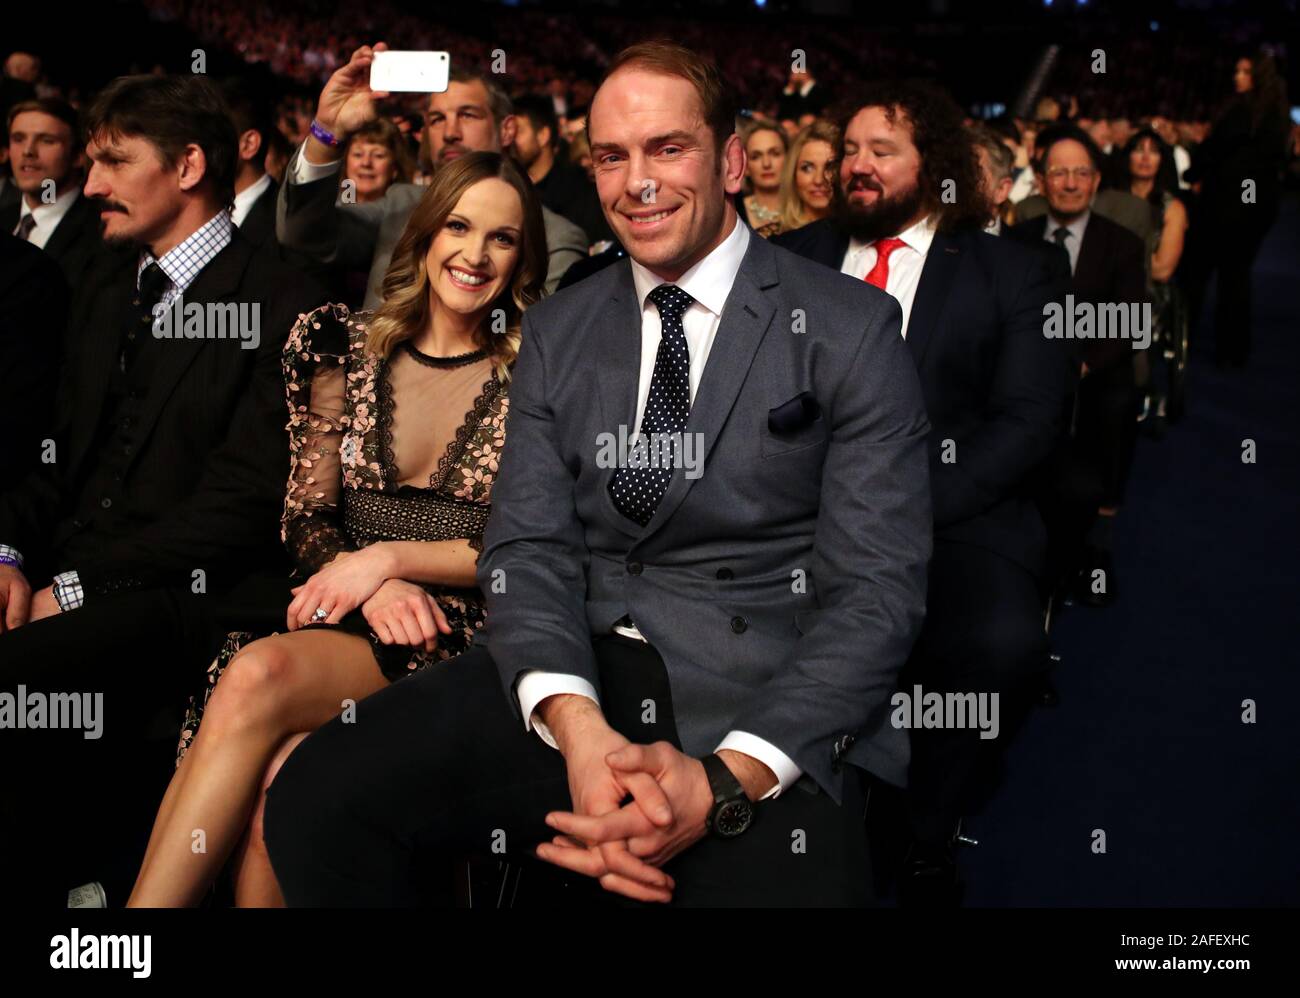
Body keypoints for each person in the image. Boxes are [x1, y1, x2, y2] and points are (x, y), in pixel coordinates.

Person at [263, 40, 932, 908]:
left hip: (763, 692)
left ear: (730, 161)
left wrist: (723, 783)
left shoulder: (852, 327)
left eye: (667, 149)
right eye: (612, 156)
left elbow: (877, 594)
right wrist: (576, 730)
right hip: (576, 662)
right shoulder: (559, 330)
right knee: (319, 797)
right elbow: (528, 546)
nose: (636, 182)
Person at [127, 151, 545, 907]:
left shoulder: (540, 374)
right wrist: (365, 577)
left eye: (503, 238)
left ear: (523, 259)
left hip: (464, 631)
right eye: (458, 225)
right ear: (424, 233)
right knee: (277, 780)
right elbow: (307, 515)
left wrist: (387, 560)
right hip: (348, 608)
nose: (476, 255)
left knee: (257, 674)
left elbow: (530, 546)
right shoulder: (342, 347)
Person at [0, 74, 322, 908]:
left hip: (192, 597)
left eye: (113, 161)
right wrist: (7, 553)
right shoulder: (104, 284)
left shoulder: (285, 294)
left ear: (186, 167)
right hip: (68, 577)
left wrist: (78, 585)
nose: (90, 183)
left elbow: (244, 502)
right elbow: (53, 458)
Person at [775, 81, 1069, 905]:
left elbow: (1029, 421)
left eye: (883, 151)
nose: (858, 167)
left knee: (1000, 644)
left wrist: (904, 513)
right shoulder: (793, 257)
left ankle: (928, 830)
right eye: (851, 151)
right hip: (803, 512)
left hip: (956, 515)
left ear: (932, 165)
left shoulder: (1014, 271)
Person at [276, 45, 587, 303]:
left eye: (467, 115)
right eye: (437, 118)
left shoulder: (554, 238)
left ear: (506, 130)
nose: (450, 132)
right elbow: (302, 233)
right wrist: (327, 133)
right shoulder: (399, 204)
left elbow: (538, 356)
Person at [1008, 124, 1147, 609]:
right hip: (1022, 370)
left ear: (1095, 181)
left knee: (1117, 400)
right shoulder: (1016, 238)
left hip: (1093, 370)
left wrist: (1081, 365)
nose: (1069, 183)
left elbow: (1131, 324)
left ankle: (1095, 540)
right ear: (1042, 181)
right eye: (1059, 173)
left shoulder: (1122, 243)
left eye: (1080, 173)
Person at [1182, 51, 1290, 366]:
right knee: (1235, 275)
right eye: (1236, 70)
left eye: (1244, 71)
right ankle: (1232, 349)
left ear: (1259, 75)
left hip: (1230, 203)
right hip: (1255, 204)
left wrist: (1192, 174)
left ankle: (1181, 335)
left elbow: (1214, 150)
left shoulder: (1244, 112)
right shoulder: (1276, 114)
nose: (1236, 76)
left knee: (1198, 271)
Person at [1122, 126, 1190, 431]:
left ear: (1163, 159)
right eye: (1139, 149)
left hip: (1149, 290)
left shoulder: (1171, 207)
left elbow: (1162, 268)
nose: (1145, 157)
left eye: (1154, 150)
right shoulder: (1109, 198)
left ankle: (1142, 388)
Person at [2, 98, 104, 289]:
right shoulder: (3, 218)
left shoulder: (102, 230)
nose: (28, 151)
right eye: (18, 139)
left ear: (78, 156)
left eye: (47, 140)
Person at [512, 92, 611, 245]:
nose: (510, 139)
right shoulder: (511, 188)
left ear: (543, 135)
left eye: (518, 131)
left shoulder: (581, 188)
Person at [774, 118, 838, 236]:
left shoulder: (856, 240)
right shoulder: (770, 240)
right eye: (807, 168)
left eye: (830, 168)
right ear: (793, 174)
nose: (818, 180)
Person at [340, 117, 412, 204]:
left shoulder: (412, 210)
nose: (366, 163)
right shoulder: (326, 208)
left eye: (378, 155)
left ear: (395, 167)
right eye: (358, 154)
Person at [739, 118, 786, 238]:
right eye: (756, 156)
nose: (766, 164)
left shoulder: (805, 209)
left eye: (775, 153)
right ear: (745, 166)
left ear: (789, 158)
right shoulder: (733, 213)